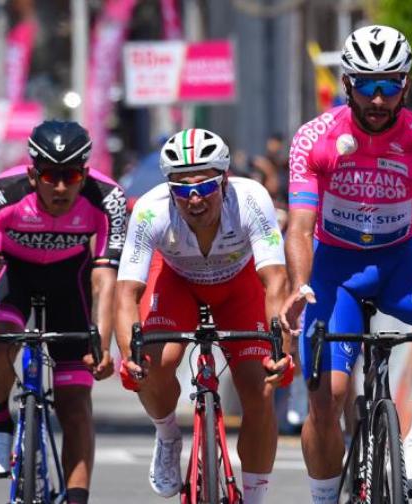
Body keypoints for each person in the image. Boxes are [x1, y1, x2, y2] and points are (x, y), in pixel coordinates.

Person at [280, 25, 412, 502]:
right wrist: (299, 285)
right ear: (346, 84)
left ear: (405, 84)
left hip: (399, 263)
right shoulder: (315, 138)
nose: (379, 98)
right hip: (334, 272)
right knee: (328, 399)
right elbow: (301, 227)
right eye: (367, 85)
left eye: (390, 84)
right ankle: (325, 496)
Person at [0, 120, 126, 504]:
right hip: (17, 278)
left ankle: (78, 498)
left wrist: (102, 344)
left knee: (75, 402)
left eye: (72, 175)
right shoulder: (0, 194)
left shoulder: (107, 197)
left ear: (85, 172)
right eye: (50, 175)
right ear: (33, 173)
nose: (61, 186)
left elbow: (104, 282)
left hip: (71, 284)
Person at [115, 128, 293, 504]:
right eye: (181, 188)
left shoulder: (251, 199)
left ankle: (256, 497)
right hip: (176, 280)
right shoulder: (150, 210)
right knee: (153, 364)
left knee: (260, 389)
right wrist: (130, 357)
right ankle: (166, 435)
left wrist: (282, 347)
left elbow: (275, 280)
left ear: (224, 180)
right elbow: (126, 293)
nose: (193, 198)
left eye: (204, 186)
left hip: (238, 285)